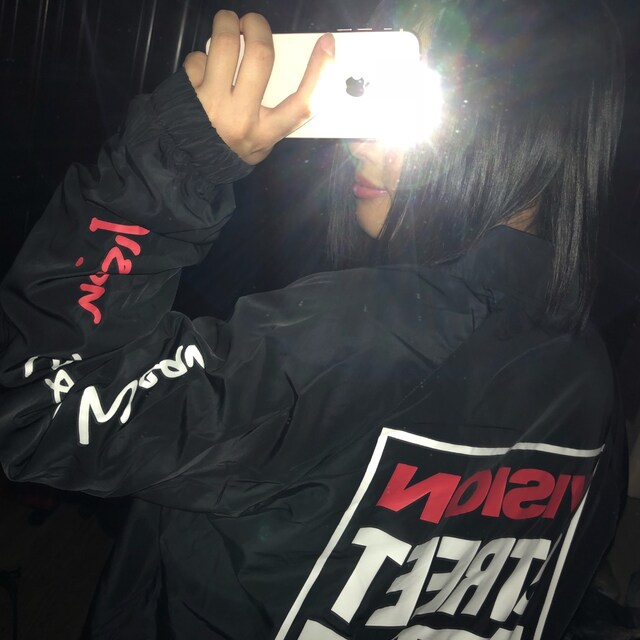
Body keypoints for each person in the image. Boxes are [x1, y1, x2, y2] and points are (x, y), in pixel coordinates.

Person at [0, 1, 627, 638]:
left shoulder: (358, 339)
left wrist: (174, 160)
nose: (359, 143)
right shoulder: (590, 375)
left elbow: (42, 405)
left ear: (509, 123)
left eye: (410, 97)